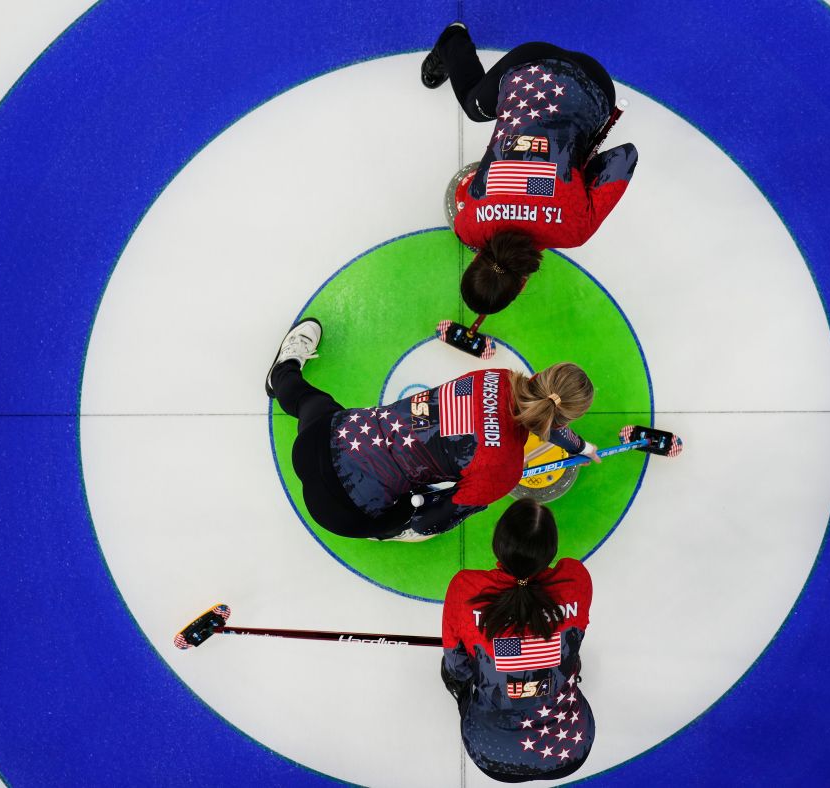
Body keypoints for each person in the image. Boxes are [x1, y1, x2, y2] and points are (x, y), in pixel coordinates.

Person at [265, 318, 600, 540]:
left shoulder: (493, 377)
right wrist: (579, 446)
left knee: (307, 398)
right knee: (406, 514)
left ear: (539, 375)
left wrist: (577, 444)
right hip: (340, 512)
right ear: (562, 420)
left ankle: (282, 373)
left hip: (321, 438)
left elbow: (538, 408)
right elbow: (430, 520)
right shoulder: (504, 471)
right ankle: (384, 531)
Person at [421, 23, 639, 315]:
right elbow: (489, 180)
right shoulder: (467, 226)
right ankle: (452, 42)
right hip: (529, 61)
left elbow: (626, 155)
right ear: (475, 260)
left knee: (477, 110)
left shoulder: (574, 231)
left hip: (596, 85)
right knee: (476, 108)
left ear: (522, 285)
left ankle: (451, 40)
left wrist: (579, 175)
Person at [441, 499, 594, 782]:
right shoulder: (576, 579)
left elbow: (458, 667)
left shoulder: (465, 589)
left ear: (499, 544)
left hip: (492, 756)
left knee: (451, 669)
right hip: (570, 748)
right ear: (550, 551)